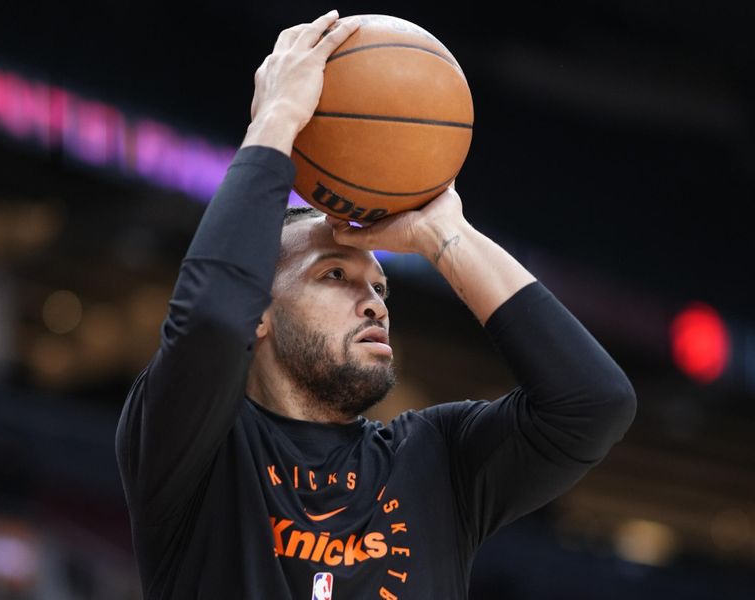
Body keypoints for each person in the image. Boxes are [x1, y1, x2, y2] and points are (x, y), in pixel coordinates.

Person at [115, 10, 637, 599]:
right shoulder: (197, 449)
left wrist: (447, 237)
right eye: (334, 274)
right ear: (256, 314)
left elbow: (595, 404)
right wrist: (278, 119)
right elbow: (209, 317)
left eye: (380, 286)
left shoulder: (437, 461)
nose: (372, 302)